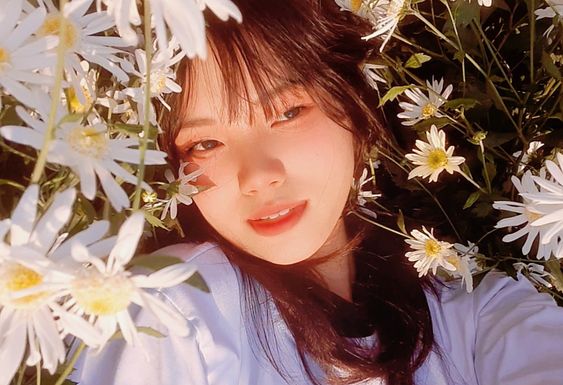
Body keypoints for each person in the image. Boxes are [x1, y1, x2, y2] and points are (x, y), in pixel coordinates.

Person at [74, 1, 563, 384]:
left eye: (287, 113)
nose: (258, 176)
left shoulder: (477, 313)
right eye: (206, 142)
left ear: (354, 108)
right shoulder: (175, 306)